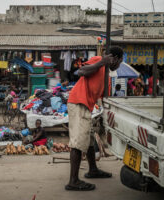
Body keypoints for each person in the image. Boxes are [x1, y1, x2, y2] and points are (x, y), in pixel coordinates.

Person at [66, 46, 123, 191]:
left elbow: (104, 97)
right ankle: (73, 181)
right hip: (79, 102)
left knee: (89, 138)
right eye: (120, 62)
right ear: (114, 59)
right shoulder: (99, 61)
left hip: (87, 106)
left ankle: (93, 169)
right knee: (78, 142)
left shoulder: (107, 75)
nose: (119, 65)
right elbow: (81, 71)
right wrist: (102, 62)